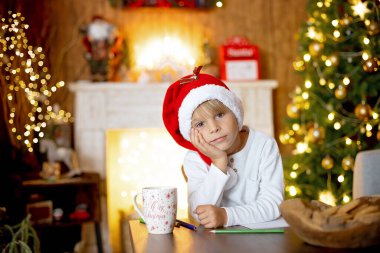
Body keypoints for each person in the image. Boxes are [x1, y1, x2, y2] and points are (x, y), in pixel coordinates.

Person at [162, 66, 284, 228]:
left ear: (235, 112)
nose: (214, 128)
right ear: (191, 133)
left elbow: (273, 205)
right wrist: (219, 162)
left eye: (219, 114)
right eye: (200, 124)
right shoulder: (194, 158)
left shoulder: (263, 146)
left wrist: (227, 216)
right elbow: (198, 214)